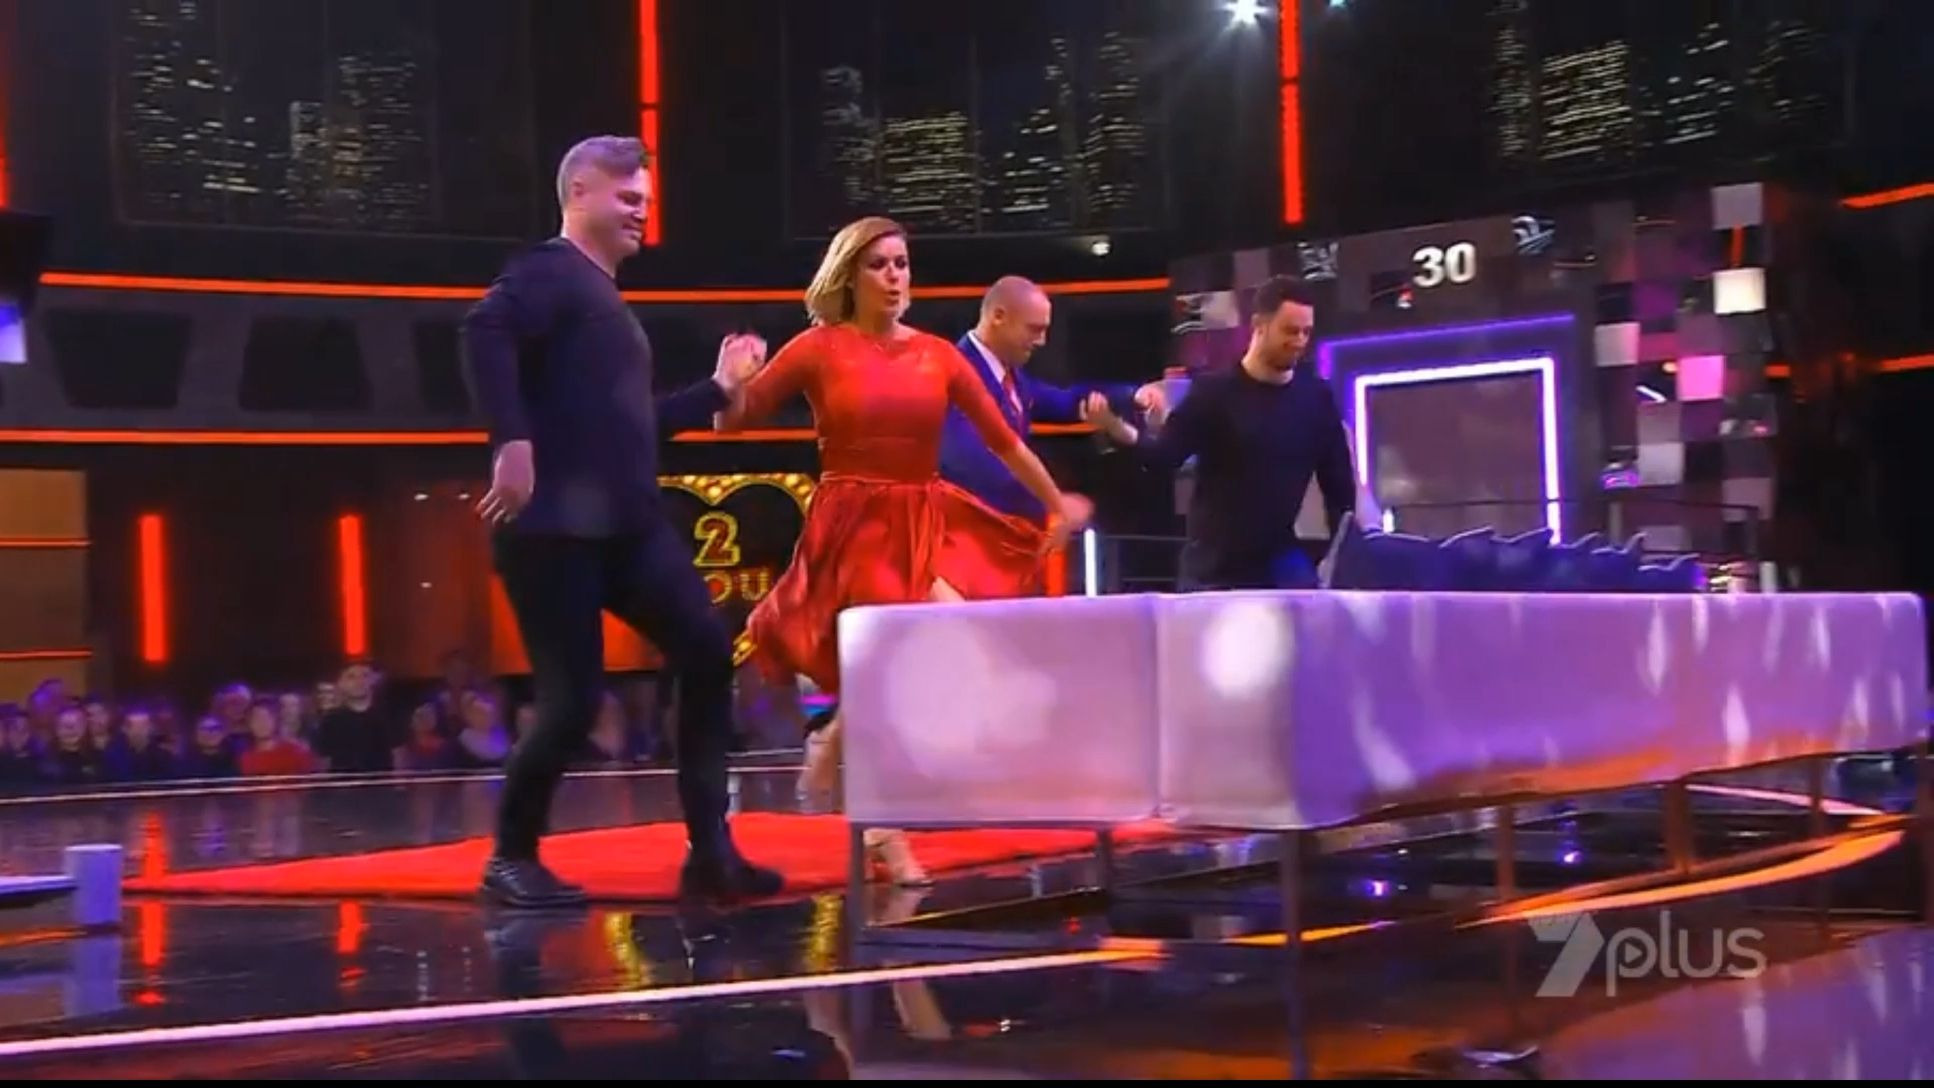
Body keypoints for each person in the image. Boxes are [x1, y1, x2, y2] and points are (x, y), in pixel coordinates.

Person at [463, 135, 780, 910]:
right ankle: (511, 859)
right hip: (552, 530)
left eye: (646, 200)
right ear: (579, 193)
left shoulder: (603, 302)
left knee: (707, 651)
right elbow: (483, 331)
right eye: (628, 197)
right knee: (572, 701)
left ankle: (711, 852)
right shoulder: (549, 271)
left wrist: (718, 388)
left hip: (626, 526)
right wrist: (512, 442)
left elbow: (636, 423)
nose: (642, 212)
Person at [715, 216, 1077, 884]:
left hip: (923, 518)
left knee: (956, 641)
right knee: (892, 661)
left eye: (902, 264)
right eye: (879, 264)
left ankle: (834, 738)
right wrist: (729, 378)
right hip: (855, 525)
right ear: (850, 275)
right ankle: (885, 828)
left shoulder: (938, 355)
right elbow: (731, 420)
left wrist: (1056, 503)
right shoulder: (819, 347)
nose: (894, 276)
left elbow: (1005, 443)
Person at [1084, 275, 1356, 591]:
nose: (1299, 340)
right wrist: (1117, 428)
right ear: (1259, 325)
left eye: (1306, 332)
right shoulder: (1214, 392)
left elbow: (1339, 486)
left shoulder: (1316, 398)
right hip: (1214, 569)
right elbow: (1165, 456)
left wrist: (1344, 556)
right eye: (1290, 331)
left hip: (1279, 560)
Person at [934, 275, 1169, 599]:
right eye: (1034, 329)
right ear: (998, 317)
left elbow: (1065, 400)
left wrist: (1133, 394)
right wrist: (1051, 501)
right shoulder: (957, 372)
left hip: (1001, 549)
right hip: (964, 548)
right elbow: (973, 464)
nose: (1042, 341)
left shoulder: (1010, 376)